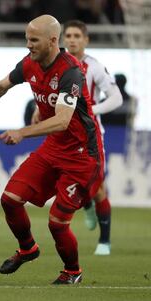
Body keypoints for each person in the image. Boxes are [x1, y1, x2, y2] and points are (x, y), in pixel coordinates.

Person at [0, 15, 104, 285]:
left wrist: (21, 132)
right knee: (10, 199)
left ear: (52, 41)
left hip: (81, 156)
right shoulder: (29, 64)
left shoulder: (72, 71)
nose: (28, 45)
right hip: (53, 148)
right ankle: (28, 249)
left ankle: (73, 272)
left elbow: (62, 120)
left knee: (57, 223)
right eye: (27, 39)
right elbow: (1, 87)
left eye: (33, 40)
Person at [63, 19, 123, 256]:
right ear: (62, 39)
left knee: (97, 188)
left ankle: (104, 242)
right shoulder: (56, 64)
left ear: (86, 40)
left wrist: (91, 110)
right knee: (64, 181)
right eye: (68, 35)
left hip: (89, 136)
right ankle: (86, 204)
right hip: (63, 134)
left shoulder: (94, 67)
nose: (72, 40)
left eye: (77, 36)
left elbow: (116, 98)